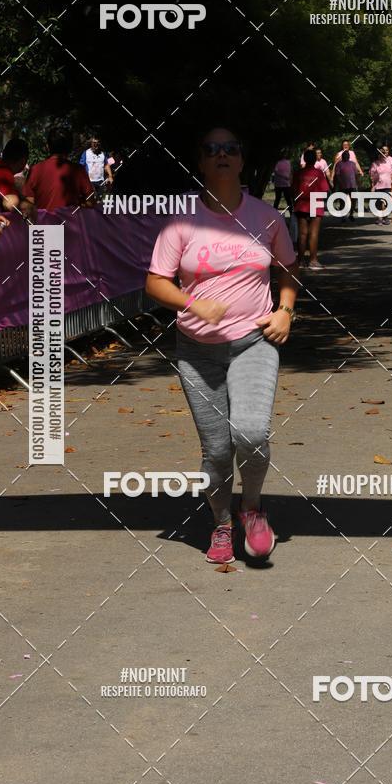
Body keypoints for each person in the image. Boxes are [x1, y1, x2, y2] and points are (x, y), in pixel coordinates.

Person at [145, 126, 298, 566]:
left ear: (242, 159)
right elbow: (156, 282)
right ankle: (220, 522)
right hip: (197, 349)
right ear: (201, 161)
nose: (222, 155)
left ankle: (251, 507)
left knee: (250, 433)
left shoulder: (266, 217)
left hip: (254, 342)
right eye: (212, 149)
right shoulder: (181, 222)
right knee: (215, 450)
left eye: (231, 148)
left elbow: (287, 270)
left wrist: (286, 310)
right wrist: (193, 301)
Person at [23, 127, 95, 211]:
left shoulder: (35, 170)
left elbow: (28, 204)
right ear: (70, 147)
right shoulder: (78, 171)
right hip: (71, 222)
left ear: (48, 146)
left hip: (43, 223)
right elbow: (90, 202)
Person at [293, 147, 328, 266]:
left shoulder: (298, 173)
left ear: (305, 159)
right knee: (314, 233)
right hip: (316, 203)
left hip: (301, 204)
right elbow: (325, 190)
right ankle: (313, 260)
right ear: (314, 160)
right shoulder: (319, 173)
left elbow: (293, 189)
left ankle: (300, 260)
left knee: (302, 233)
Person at [369, 145, 392, 225]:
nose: (385, 152)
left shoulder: (391, 160)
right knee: (379, 202)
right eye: (383, 150)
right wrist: (372, 185)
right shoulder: (376, 163)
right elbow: (372, 175)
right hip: (378, 185)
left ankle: (384, 217)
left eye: (387, 150)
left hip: (388, 184)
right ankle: (380, 218)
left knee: (385, 201)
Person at [334, 149, 358, 221]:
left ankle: (351, 214)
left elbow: (356, 174)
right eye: (344, 155)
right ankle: (343, 215)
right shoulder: (339, 164)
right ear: (342, 156)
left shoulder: (352, 164)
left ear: (349, 156)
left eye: (347, 155)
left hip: (352, 185)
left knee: (353, 200)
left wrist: (357, 183)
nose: (346, 156)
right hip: (343, 185)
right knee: (342, 201)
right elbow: (337, 175)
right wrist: (339, 183)